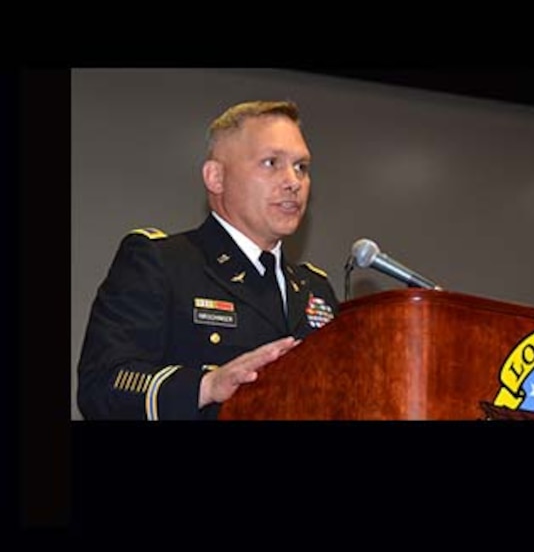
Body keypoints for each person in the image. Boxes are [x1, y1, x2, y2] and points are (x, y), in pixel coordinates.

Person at [77, 100, 340, 420]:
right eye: (271, 163)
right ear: (215, 177)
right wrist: (205, 386)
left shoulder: (315, 288)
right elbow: (102, 385)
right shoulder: (162, 262)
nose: (293, 181)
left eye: (302, 167)